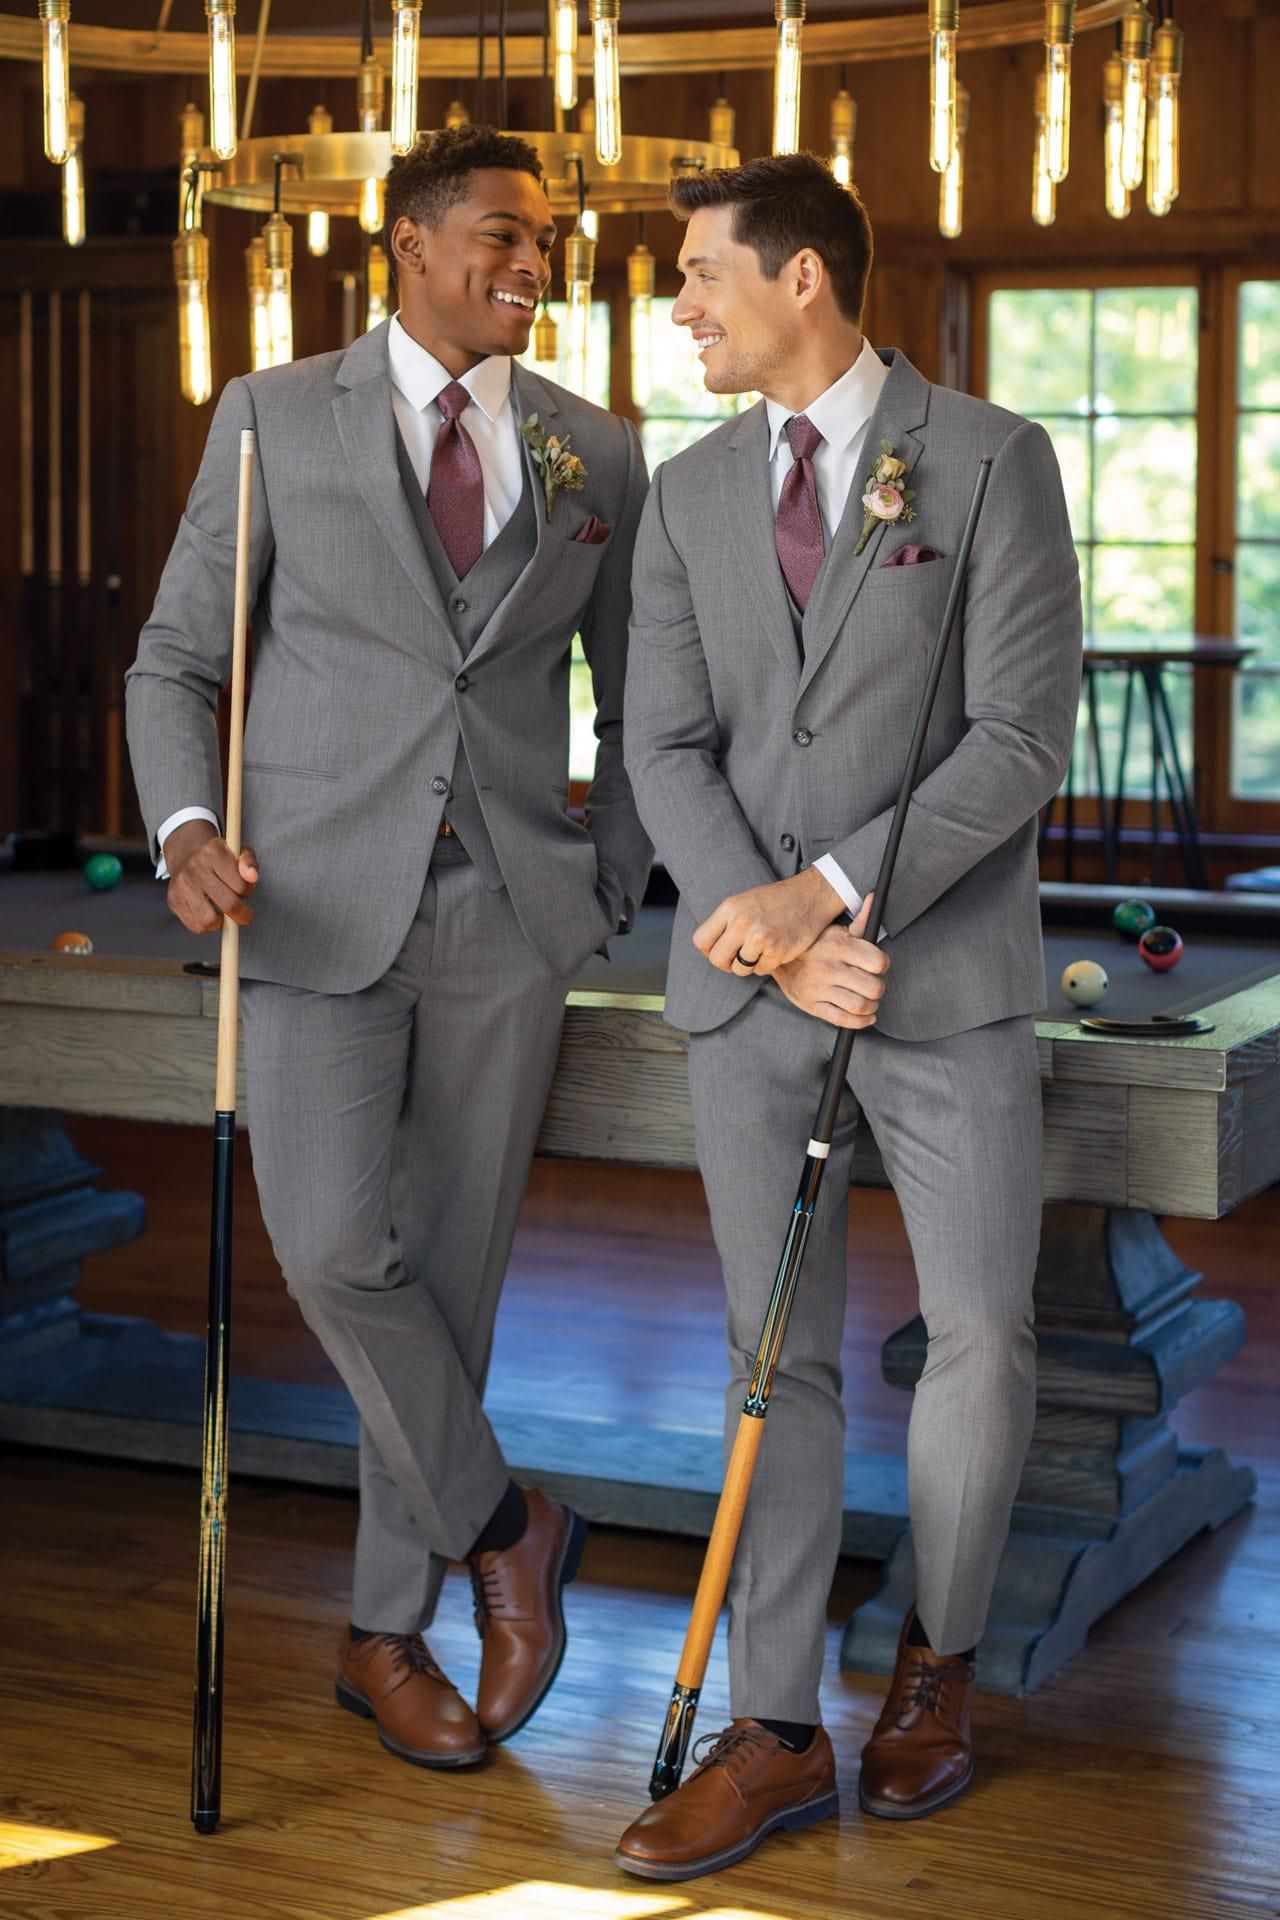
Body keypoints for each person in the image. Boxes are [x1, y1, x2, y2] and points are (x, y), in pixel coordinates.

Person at [126, 126, 650, 1771]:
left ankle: (380, 1632)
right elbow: (173, 666)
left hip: (510, 919)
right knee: (342, 1254)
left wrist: (610, 879)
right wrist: (183, 832)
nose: (533, 262)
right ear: (410, 243)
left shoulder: (597, 451)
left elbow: (644, 706)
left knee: (455, 1287)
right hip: (308, 903)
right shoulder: (276, 418)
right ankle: (510, 1528)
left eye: (547, 239)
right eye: (502, 232)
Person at [615, 152, 1080, 1881]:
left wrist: (834, 894)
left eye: (700, 274)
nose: (680, 306)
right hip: (754, 996)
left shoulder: (990, 459)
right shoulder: (681, 490)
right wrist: (771, 934)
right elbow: (658, 743)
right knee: (770, 1358)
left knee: (980, 1332)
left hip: (944, 981)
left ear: (802, 278)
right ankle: (779, 1728)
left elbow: (1021, 738)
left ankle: (937, 1674)